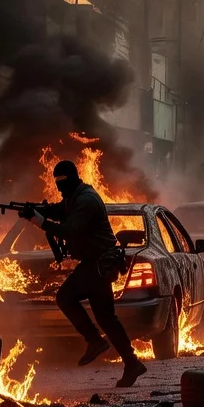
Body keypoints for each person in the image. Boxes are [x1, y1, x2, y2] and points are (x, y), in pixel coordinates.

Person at [21, 160, 146, 388]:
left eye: (62, 182)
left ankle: (94, 341)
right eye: (56, 182)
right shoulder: (74, 197)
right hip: (96, 263)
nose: (59, 187)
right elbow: (60, 209)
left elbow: (69, 229)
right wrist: (39, 209)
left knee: (65, 297)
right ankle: (132, 363)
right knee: (107, 318)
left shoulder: (86, 200)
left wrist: (38, 220)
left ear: (72, 178)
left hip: (98, 264)